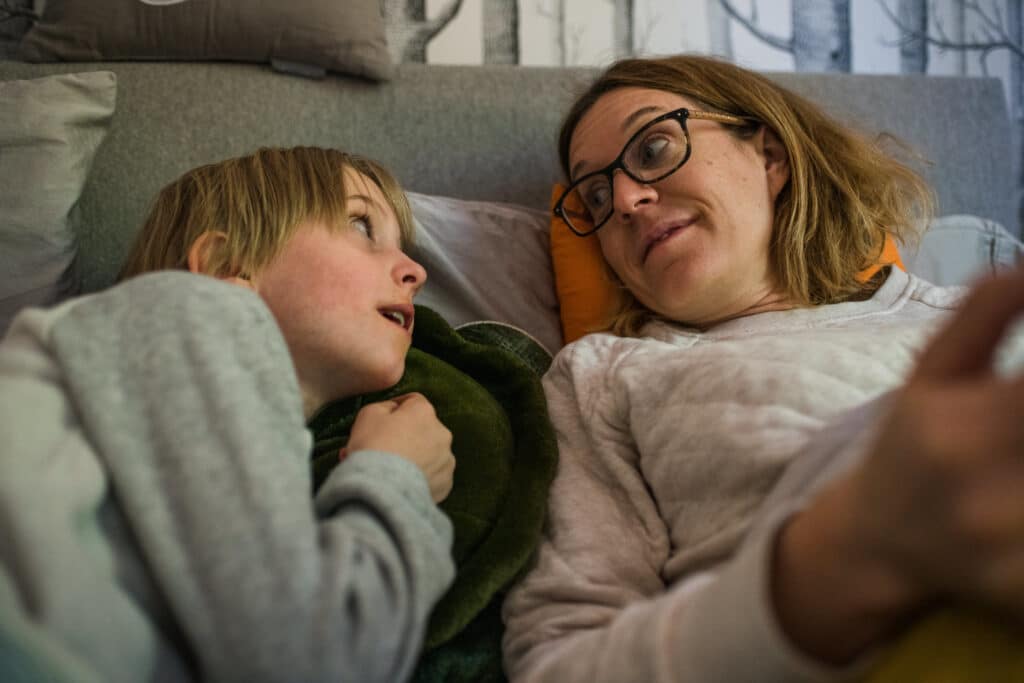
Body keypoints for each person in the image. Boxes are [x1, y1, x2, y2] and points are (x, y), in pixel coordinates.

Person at [502, 54, 1024, 681]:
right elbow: (557, 663)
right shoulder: (603, 378)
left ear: (770, 157)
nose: (627, 199)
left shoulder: (969, 319)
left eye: (654, 147)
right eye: (594, 195)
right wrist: (828, 566)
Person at [0, 146, 457, 683]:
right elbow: (310, 659)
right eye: (361, 225)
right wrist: (395, 473)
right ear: (224, 267)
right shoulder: (189, 311)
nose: (416, 271)